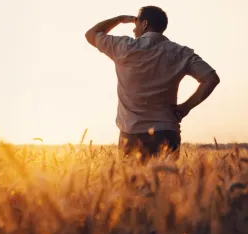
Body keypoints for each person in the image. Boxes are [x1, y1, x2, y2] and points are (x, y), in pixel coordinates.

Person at [85, 6, 220, 161]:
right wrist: (185, 108)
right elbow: (211, 79)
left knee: (132, 185)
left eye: (136, 24)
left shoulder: (123, 47)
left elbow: (91, 34)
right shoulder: (181, 53)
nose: (134, 30)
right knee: (165, 184)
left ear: (145, 24)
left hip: (131, 134)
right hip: (166, 132)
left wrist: (119, 19)